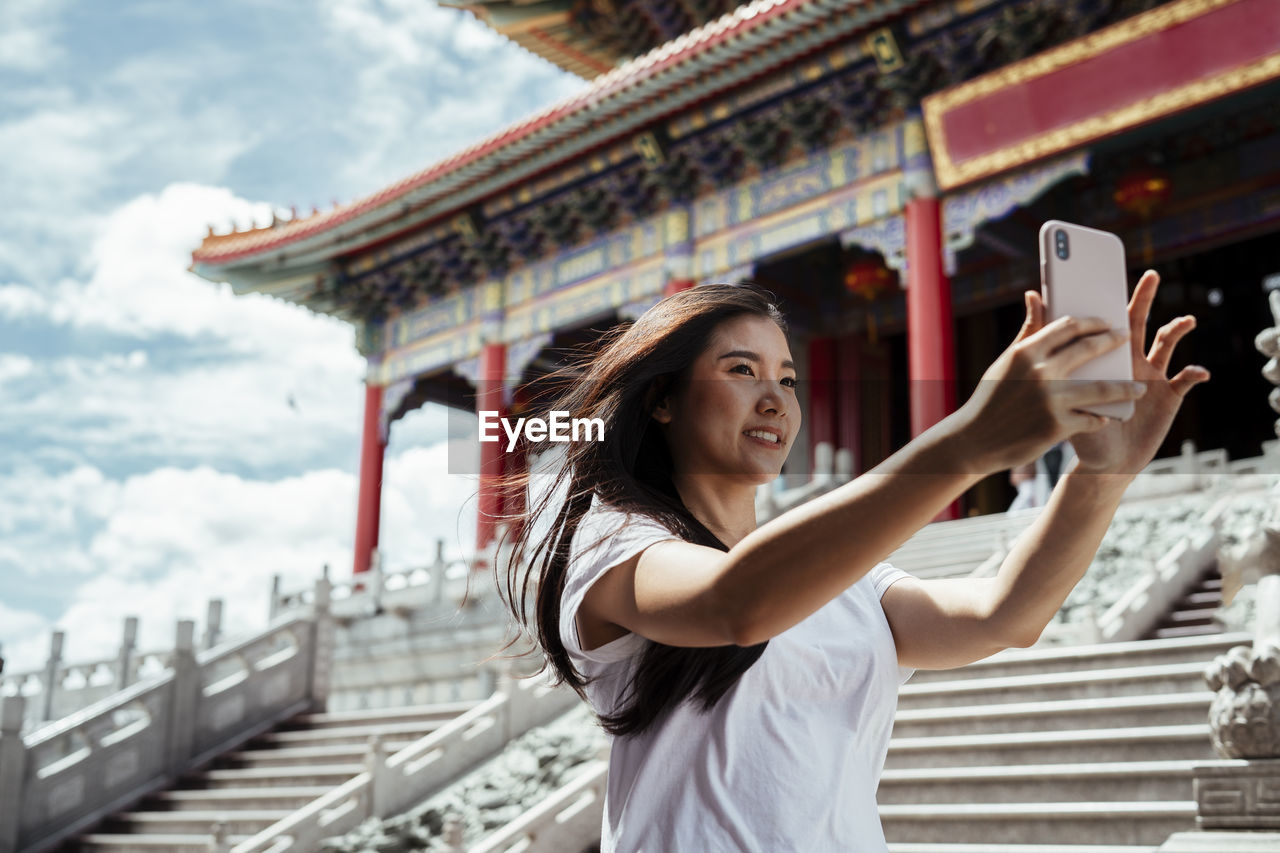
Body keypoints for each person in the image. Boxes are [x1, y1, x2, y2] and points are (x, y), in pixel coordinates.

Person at [490, 275, 1208, 852]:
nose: (775, 397)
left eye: (789, 377)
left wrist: (1101, 476)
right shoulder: (613, 542)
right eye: (741, 370)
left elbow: (1004, 616)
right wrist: (968, 442)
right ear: (663, 400)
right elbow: (736, 605)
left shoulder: (842, 575)